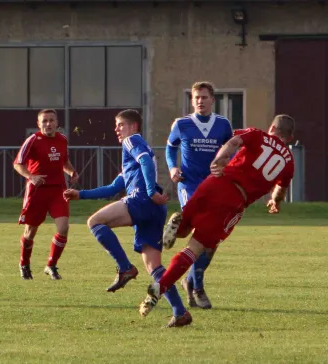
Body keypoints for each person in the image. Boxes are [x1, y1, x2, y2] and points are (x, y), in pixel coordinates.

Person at [139, 115, 296, 320]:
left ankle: (178, 223)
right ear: (290, 137)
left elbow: (233, 142)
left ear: (272, 127)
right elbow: (281, 190)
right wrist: (275, 202)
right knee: (195, 248)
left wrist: (219, 160)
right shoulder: (289, 162)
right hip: (235, 200)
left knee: (185, 228)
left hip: (216, 181)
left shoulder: (257, 134)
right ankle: (160, 287)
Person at [64, 109, 192, 328]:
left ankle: (125, 268)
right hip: (154, 209)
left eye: (120, 124)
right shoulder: (133, 154)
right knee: (154, 267)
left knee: (94, 222)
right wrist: (81, 194)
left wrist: (150, 191)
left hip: (141, 200)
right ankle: (180, 312)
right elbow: (114, 187)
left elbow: (147, 163)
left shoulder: (131, 141)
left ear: (133, 127)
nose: (116, 129)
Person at [166, 81, 233, 309]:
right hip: (189, 186)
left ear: (212, 100)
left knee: (211, 242)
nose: (200, 101)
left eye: (204, 97)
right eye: (196, 98)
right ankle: (198, 288)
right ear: (191, 100)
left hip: (214, 186)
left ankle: (190, 281)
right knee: (201, 234)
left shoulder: (223, 125)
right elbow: (170, 148)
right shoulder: (182, 124)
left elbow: (231, 150)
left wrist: (225, 166)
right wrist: (173, 168)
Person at [13, 109, 78, 280]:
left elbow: (64, 161)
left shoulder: (62, 139)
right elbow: (18, 164)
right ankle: (24, 264)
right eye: (45, 121)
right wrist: (31, 177)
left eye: (51, 120)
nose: (48, 124)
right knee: (30, 232)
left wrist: (72, 172)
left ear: (57, 123)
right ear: (39, 124)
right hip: (37, 191)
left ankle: (51, 265)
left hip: (58, 190)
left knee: (63, 228)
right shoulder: (33, 140)